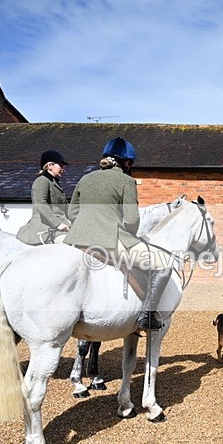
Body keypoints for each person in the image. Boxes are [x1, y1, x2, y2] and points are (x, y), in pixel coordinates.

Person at [64, 137, 172, 330]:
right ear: (127, 163)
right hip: (110, 241)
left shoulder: (85, 178)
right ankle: (147, 315)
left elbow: (72, 213)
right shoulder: (126, 181)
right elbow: (131, 220)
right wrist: (129, 234)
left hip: (75, 240)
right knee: (164, 264)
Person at [16, 149, 71, 245]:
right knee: (67, 245)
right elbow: (40, 203)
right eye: (60, 166)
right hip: (46, 227)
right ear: (50, 166)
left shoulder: (54, 183)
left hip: (61, 227)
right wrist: (58, 224)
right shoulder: (42, 180)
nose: (63, 169)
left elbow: (66, 208)